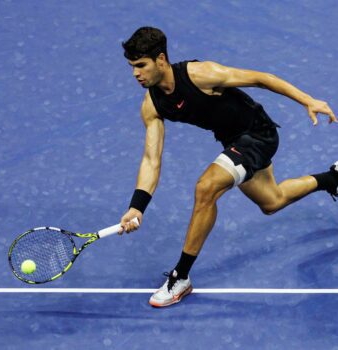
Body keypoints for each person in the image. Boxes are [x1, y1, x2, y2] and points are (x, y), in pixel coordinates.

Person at [118, 27, 337, 307]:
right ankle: (332, 178)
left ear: (161, 59)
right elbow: (151, 159)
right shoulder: (152, 105)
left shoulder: (201, 74)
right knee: (272, 201)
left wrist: (309, 100)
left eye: (141, 65)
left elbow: (261, 79)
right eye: (132, 67)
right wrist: (137, 206)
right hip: (234, 142)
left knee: (206, 187)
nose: (136, 73)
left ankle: (180, 277)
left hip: (259, 135)